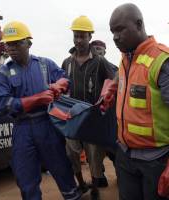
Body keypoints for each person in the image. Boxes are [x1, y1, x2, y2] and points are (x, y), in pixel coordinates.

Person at [0, 21, 81, 200]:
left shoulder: (44, 64)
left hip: (47, 125)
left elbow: (66, 80)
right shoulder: (4, 73)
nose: (12, 48)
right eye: (9, 44)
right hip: (22, 128)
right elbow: (3, 103)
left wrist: (59, 84)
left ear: (29, 43)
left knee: (62, 170)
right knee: (26, 179)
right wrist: (37, 99)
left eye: (17, 43)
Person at [99, 3, 169, 199]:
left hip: (156, 160)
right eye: (113, 31)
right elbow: (123, 76)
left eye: (120, 29)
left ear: (139, 25)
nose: (115, 37)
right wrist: (112, 87)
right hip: (125, 155)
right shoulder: (125, 58)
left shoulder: (162, 61)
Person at [62, 15, 114, 200]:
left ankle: (94, 186)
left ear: (90, 37)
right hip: (73, 118)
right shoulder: (67, 63)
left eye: (82, 36)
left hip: (92, 119)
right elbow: (63, 86)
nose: (78, 40)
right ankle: (81, 184)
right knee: (71, 154)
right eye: (76, 35)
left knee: (94, 156)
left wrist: (105, 96)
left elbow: (114, 77)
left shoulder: (99, 61)